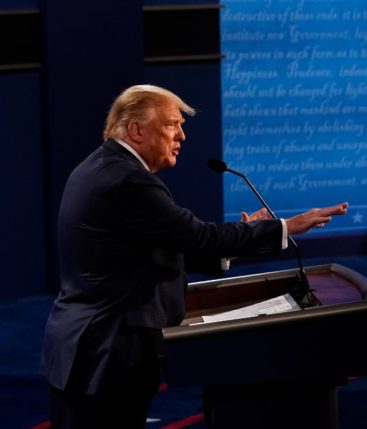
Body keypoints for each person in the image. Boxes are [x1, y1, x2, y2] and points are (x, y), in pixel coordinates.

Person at [41, 84, 348, 428]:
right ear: (136, 129)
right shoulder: (128, 181)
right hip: (108, 351)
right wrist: (286, 227)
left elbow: (157, 249)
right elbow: (198, 236)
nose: (182, 136)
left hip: (88, 347)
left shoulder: (100, 166)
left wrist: (229, 247)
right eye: (172, 124)